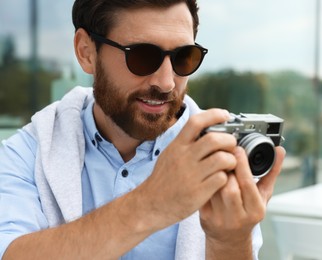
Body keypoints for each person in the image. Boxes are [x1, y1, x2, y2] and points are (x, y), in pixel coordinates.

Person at [0, 0, 286, 259]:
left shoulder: (220, 155)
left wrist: (229, 241)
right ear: (86, 52)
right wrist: (152, 203)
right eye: (142, 56)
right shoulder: (28, 153)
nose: (166, 83)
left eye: (183, 57)